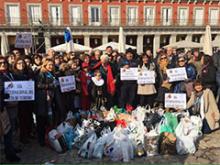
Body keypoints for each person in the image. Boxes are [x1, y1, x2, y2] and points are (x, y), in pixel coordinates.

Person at [0, 56, 20, 162]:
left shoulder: (10, 74)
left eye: (4, 62)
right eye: (0, 63)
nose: (3, 64)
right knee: (6, 131)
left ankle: (11, 148)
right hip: (2, 107)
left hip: (11, 105)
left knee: (11, 127)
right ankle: (9, 154)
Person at [35, 58, 58, 146]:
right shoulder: (42, 73)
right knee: (41, 119)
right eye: (49, 65)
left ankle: (47, 137)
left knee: (48, 118)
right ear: (45, 65)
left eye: (52, 65)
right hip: (42, 99)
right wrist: (50, 85)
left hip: (50, 98)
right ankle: (41, 140)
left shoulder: (51, 73)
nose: (51, 66)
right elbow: (38, 85)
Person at [13, 58, 33, 144]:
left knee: (28, 117)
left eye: (22, 63)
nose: (21, 65)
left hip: (28, 99)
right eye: (19, 63)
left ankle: (28, 134)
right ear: (15, 65)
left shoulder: (28, 73)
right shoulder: (13, 74)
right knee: (22, 119)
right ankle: (23, 137)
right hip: (19, 101)